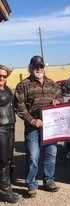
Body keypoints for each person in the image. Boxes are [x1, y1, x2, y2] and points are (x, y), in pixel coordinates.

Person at [14, 55, 63, 198]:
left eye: (41, 66)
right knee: (33, 156)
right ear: (31, 68)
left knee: (51, 154)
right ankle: (31, 183)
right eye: (36, 66)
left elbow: (60, 96)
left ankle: (49, 180)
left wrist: (57, 101)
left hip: (50, 126)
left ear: (44, 68)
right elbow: (19, 106)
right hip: (33, 127)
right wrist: (32, 120)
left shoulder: (52, 84)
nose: (39, 69)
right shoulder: (23, 85)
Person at [0, 65, 20, 204]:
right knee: (2, 161)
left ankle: (7, 187)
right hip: (0, 128)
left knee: (8, 159)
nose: (1, 78)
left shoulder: (6, 88)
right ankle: (5, 192)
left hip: (10, 127)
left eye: (4, 76)